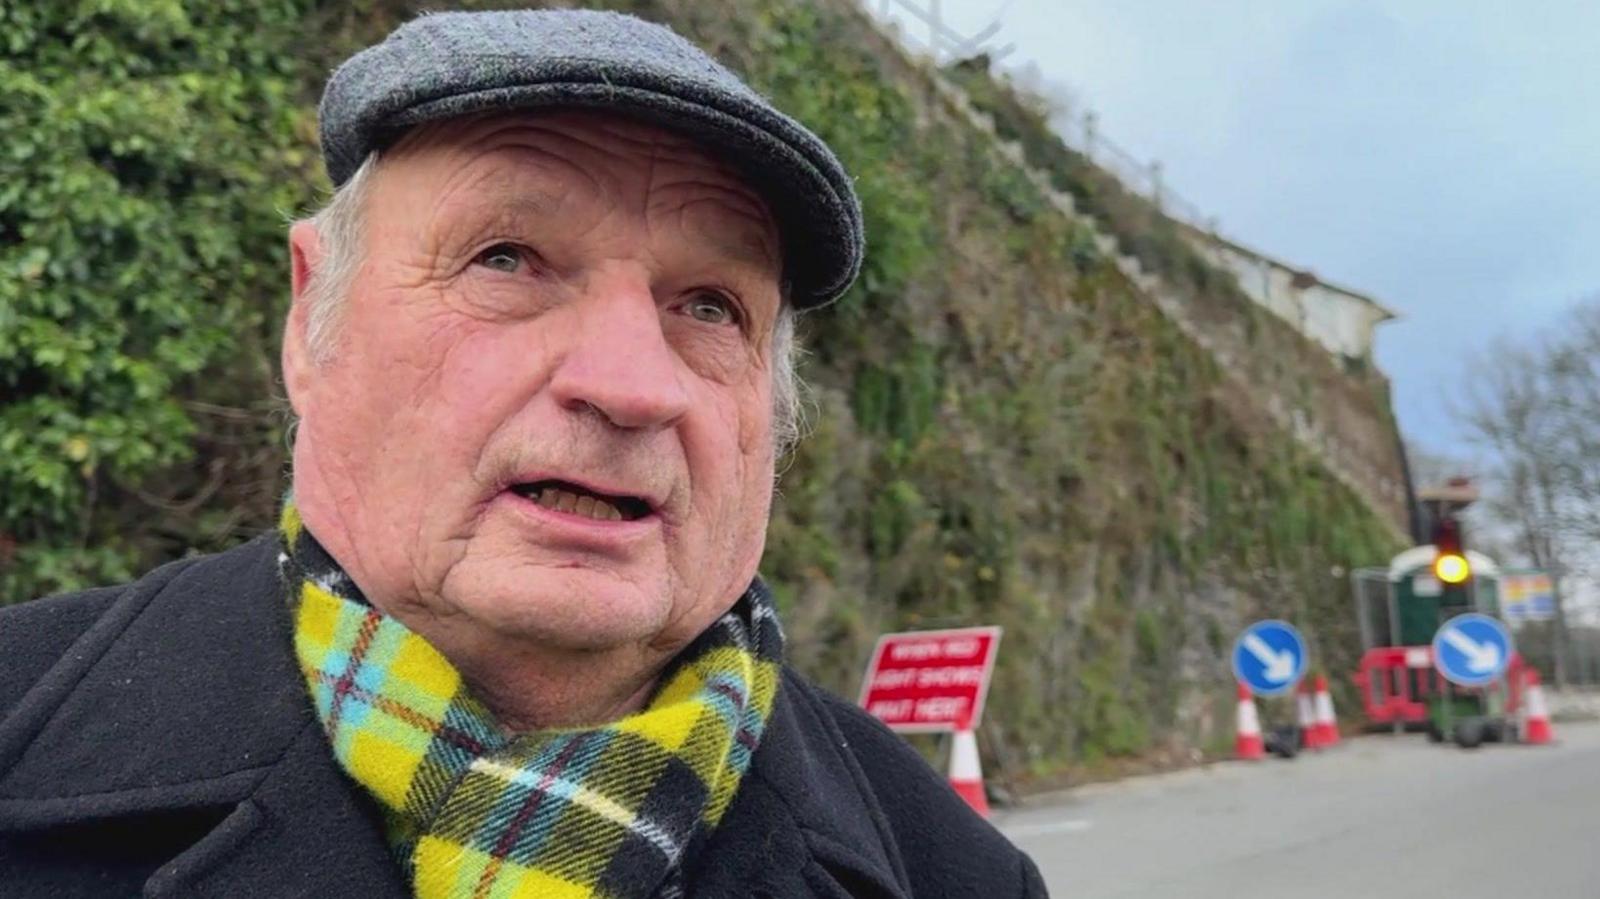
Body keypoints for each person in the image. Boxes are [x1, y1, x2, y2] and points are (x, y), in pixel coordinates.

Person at [0, 10, 1046, 897]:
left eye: (711, 306)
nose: (632, 382)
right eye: (506, 257)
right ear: (310, 317)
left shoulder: (958, 872)